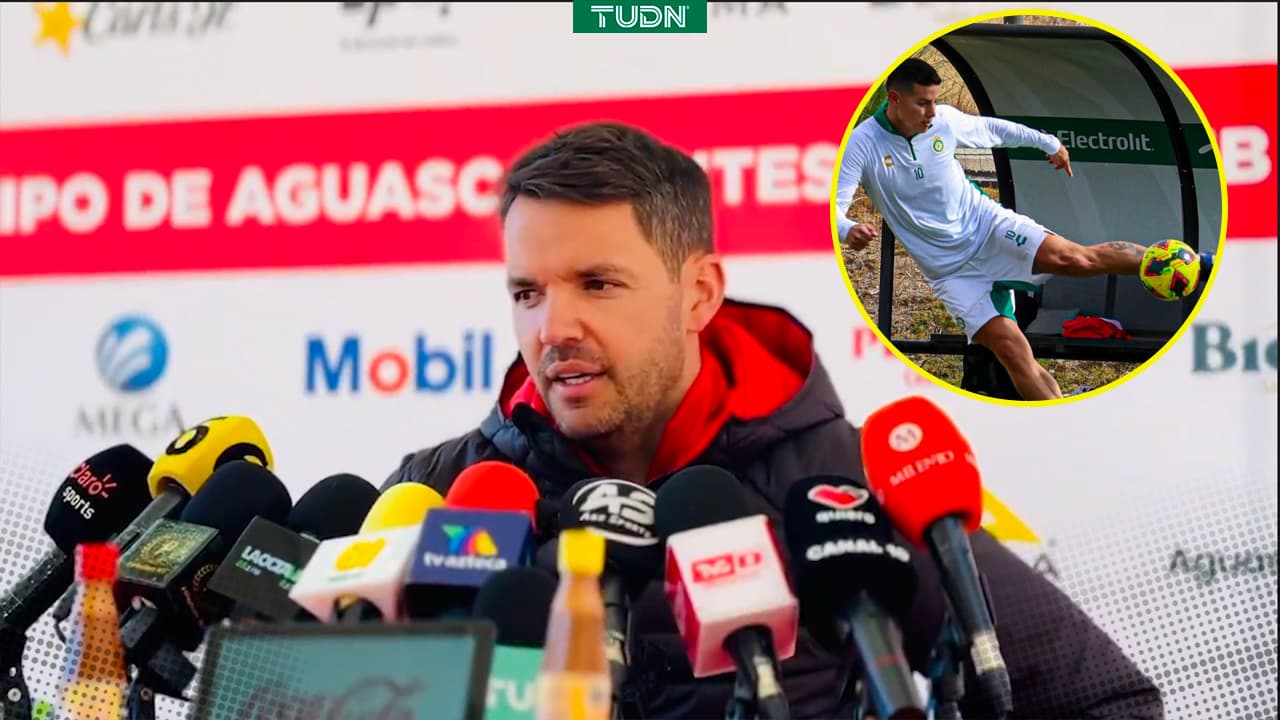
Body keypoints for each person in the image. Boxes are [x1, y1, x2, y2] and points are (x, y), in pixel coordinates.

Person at [382, 121, 1164, 719]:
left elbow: (1106, 702)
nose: (552, 329)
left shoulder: (848, 486)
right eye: (527, 293)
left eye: (597, 284)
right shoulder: (440, 493)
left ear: (698, 294)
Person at [835, 57, 1215, 401]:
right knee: (1012, 351)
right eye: (923, 103)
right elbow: (832, 209)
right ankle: (1060, 414)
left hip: (989, 227)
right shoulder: (862, 144)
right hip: (951, 272)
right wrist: (848, 228)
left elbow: (995, 130)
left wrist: (1048, 143)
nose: (933, 112)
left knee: (1077, 260)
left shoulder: (944, 121)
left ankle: (1192, 263)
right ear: (895, 98)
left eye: (935, 101)